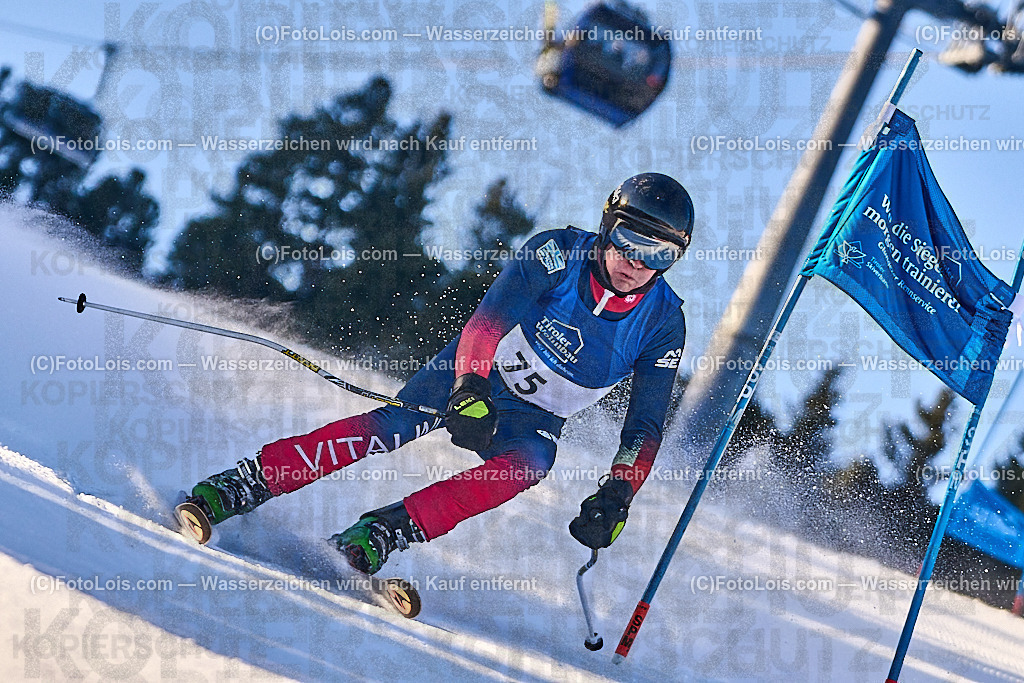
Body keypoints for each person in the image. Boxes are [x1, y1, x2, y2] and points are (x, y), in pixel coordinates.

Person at [183, 172, 692, 575]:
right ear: (607, 224)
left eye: (659, 254)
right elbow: (487, 322)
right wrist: (469, 387)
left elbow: (643, 428)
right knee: (390, 428)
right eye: (629, 239)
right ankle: (249, 481)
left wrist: (618, 493)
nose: (636, 262)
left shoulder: (664, 323)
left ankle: (385, 531)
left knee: (533, 462)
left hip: (531, 416)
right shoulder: (556, 254)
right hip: (474, 372)